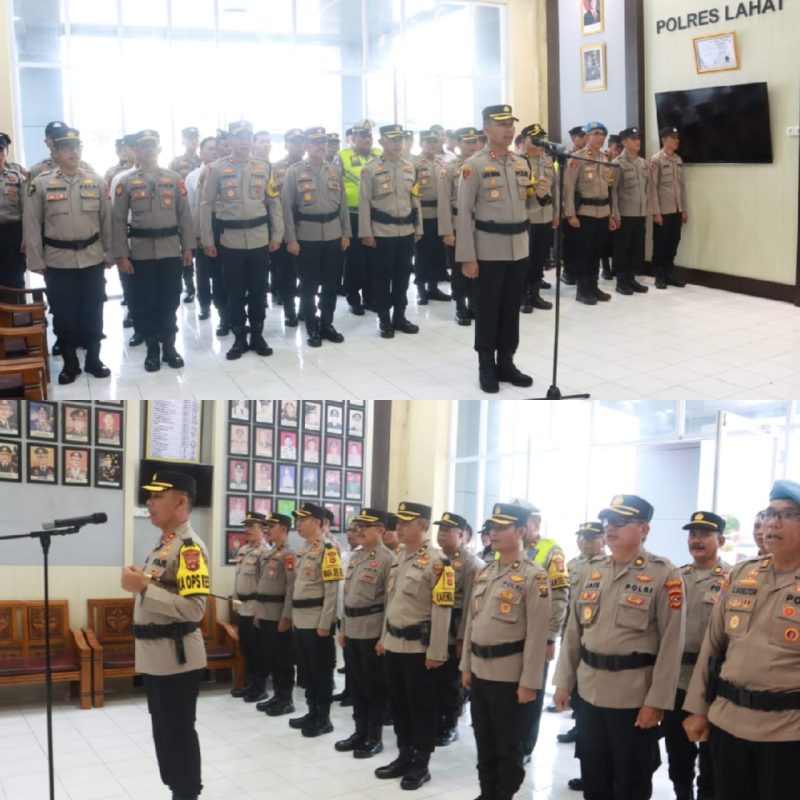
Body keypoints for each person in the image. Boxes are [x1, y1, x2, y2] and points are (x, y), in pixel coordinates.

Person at [553, 494, 685, 800]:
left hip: (633, 699)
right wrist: (563, 681)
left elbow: (671, 644)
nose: (610, 527)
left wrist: (657, 702)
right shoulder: (592, 570)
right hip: (590, 692)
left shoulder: (664, 574)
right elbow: (573, 632)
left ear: (644, 529)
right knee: (594, 777)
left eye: (621, 522)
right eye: (608, 521)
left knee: (631, 782)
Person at [683, 479, 800, 798]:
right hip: (728, 723)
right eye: (770, 513)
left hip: (787, 733)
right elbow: (713, 645)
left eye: (789, 514)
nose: (773, 522)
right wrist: (697, 708)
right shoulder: (741, 574)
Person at [121, 470, 209, 800]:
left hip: (177, 658)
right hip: (157, 657)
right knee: (164, 734)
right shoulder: (166, 543)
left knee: (177, 734)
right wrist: (143, 581)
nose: (150, 502)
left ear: (181, 502)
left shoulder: (189, 548)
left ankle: (186, 793)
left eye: (158, 496)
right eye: (150, 496)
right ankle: (178, 790)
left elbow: (195, 610)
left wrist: (144, 587)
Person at [460, 503, 551, 800]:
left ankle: (503, 794)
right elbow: (472, 623)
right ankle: (486, 792)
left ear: (521, 531)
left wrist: (530, 682)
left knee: (508, 745)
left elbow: (537, 636)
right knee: (484, 740)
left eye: (502, 527)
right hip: (480, 670)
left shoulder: (534, 576)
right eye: (492, 527)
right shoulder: (486, 572)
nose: (494, 533)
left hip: (510, 676)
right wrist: (466, 665)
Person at [23, 126, 114, 384]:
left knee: (93, 309)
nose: (74, 152)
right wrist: (35, 260)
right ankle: (70, 363)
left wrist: (110, 253)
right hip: (57, 260)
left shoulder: (96, 181)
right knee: (63, 314)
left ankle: (94, 360)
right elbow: (31, 224)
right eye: (67, 148)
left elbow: (107, 221)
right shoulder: (40, 184)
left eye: (77, 147)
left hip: (92, 258)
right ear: (56, 152)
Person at [455, 104, 535, 394]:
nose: (508, 129)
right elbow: (464, 214)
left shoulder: (521, 163)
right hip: (488, 250)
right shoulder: (473, 166)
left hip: (519, 248)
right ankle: (486, 364)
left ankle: (507, 362)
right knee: (488, 309)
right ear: (486, 128)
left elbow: (529, 205)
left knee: (511, 308)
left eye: (511, 123)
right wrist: (467, 257)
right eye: (501, 124)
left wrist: (542, 194)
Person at [375, 501, 453, 790]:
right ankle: (404, 755)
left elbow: (442, 611)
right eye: (399, 522)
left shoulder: (438, 562)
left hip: (419, 650)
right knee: (398, 705)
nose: (399, 528)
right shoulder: (399, 558)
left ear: (423, 526)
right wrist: (383, 638)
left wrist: (437, 651)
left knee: (421, 708)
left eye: (406, 523)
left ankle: (421, 762)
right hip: (394, 644)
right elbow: (391, 603)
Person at [662, 511, 731, 800]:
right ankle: (682, 794)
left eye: (705, 534)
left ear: (720, 540)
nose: (697, 540)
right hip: (678, 680)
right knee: (678, 751)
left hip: (713, 682)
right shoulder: (676, 578)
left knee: (712, 756)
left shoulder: (732, 579)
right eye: (692, 534)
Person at [112, 129, 195, 372]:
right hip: (141, 252)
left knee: (170, 300)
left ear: (159, 149)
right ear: (136, 150)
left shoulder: (174, 179)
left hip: (170, 250)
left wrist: (188, 247)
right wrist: (122, 255)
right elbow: (118, 220)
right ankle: (152, 350)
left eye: (152, 146)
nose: (148, 150)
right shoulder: (126, 182)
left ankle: (169, 347)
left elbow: (185, 215)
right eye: (143, 146)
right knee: (146, 302)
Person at [200, 120, 282, 360]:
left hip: (259, 239)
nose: (245, 141)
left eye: (248, 136)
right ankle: (239, 337)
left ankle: (257, 335)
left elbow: (273, 203)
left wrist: (277, 233)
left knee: (258, 290)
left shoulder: (264, 167)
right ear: (230, 141)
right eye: (239, 137)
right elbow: (206, 205)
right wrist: (207, 239)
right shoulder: (216, 169)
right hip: (231, 241)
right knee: (234, 292)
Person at [282, 127, 350, 348]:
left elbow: (343, 206)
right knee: (308, 285)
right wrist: (291, 239)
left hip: (333, 234)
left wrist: (346, 233)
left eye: (323, 142)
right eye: (315, 143)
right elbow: (286, 209)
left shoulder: (334, 171)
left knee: (331, 283)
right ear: (306, 146)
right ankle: (312, 326)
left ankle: (327, 324)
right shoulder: (294, 172)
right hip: (307, 235)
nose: (320, 146)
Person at [335, 508, 394, 758]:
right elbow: (348, 595)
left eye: (365, 527)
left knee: (374, 687)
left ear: (380, 530)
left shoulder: (388, 559)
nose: (359, 530)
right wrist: (344, 628)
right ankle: (359, 731)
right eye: (358, 526)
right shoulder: (357, 556)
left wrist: (384, 637)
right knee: (357, 685)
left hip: (372, 631)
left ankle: (373, 736)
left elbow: (390, 602)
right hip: (353, 628)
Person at [515, 500, 570, 763]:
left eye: (521, 522)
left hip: (536, 637)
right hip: (508, 635)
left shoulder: (551, 551)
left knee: (531, 694)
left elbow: (559, 597)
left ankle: (525, 747)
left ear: (535, 523)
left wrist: (550, 638)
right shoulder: (503, 549)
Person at [359, 124, 423, 339]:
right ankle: (384, 319)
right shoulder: (370, 169)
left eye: (399, 139)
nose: (397, 143)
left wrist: (418, 227)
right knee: (382, 278)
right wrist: (366, 233)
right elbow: (364, 203)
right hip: (381, 232)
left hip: (406, 231)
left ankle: (400, 317)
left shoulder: (409, 167)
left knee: (403, 277)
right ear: (381, 142)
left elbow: (415, 199)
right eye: (392, 139)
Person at [289, 502, 343, 737]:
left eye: (303, 520)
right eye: (298, 520)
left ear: (318, 523)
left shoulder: (328, 549)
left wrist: (325, 622)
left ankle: (323, 718)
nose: (298, 524)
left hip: (317, 622)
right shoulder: (304, 548)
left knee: (321, 671)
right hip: (302, 619)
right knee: (307, 671)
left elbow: (332, 589)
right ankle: (312, 712)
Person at [432, 511, 483, 745]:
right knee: (435, 679)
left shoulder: (471, 563)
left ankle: (449, 725)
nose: (441, 534)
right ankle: (436, 720)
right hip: (436, 628)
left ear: (462, 535)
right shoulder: (436, 558)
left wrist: (463, 639)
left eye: (447, 530)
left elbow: (470, 606)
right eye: (440, 529)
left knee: (451, 682)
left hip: (455, 629)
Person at [563, 121, 615, 306]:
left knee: (596, 252)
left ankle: (593, 286)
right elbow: (568, 188)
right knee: (583, 253)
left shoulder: (604, 158)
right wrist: (571, 214)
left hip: (603, 212)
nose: (600, 137)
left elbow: (608, 188)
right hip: (584, 212)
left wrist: (611, 214)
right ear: (586, 136)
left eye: (603, 134)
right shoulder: (577, 158)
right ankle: (583, 289)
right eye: (596, 133)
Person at [333, 121, 381, 315]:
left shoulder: (379, 155)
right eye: (362, 136)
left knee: (373, 259)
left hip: (374, 216)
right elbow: (335, 186)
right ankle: (353, 297)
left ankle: (370, 297)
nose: (367, 140)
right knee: (354, 260)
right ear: (353, 139)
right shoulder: (342, 156)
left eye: (369, 136)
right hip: (352, 215)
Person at [437, 126, 482, 326]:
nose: (472, 146)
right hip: (457, 225)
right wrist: (447, 232)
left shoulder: (483, 166)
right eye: (467, 142)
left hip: (480, 225)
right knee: (458, 269)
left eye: (475, 142)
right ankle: (460, 306)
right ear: (458, 144)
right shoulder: (449, 169)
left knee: (478, 267)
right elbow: (443, 202)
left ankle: (474, 303)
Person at [254, 512, 297, 716]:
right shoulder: (271, 553)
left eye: (272, 526)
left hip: (279, 614)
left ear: (284, 529)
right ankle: (277, 696)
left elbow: (291, 587)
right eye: (267, 526)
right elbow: (263, 585)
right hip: (266, 613)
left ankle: (286, 699)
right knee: (271, 657)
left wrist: (286, 616)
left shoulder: (289, 554)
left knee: (283, 659)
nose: (268, 530)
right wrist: (258, 612)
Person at [231, 511, 271, 702]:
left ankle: (259, 687)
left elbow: (265, 584)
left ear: (262, 529)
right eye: (245, 526)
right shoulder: (243, 550)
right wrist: (235, 601)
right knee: (246, 648)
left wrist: (260, 611)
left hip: (255, 607)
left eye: (251, 526)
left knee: (258, 650)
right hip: (242, 607)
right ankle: (249, 684)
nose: (246, 530)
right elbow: (238, 578)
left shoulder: (266, 552)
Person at [186, 136, 226, 325]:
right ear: (201, 152)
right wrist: (196, 235)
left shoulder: (225, 171)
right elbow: (191, 209)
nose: (214, 151)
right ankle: (204, 304)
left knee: (220, 273)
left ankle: (223, 310)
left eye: (216, 148)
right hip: (202, 228)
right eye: (210, 148)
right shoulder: (193, 176)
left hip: (222, 227)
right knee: (202, 271)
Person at [520, 123, 556, 314]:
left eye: (542, 139)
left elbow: (555, 189)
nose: (540, 143)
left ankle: (535, 293)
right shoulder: (517, 161)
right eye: (535, 139)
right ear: (525, 141)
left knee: (539, 257)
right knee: (525, 259)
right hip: (526, 218)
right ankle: (522, 296)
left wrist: (556, 214)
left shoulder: (548, 160)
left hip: (545, 216)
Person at [271, 128, 306, 322]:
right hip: (284, 227)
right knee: (286, 271)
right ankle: (289, 309)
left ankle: (305, 308)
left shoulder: (310, 167)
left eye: (301, 141)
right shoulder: (274, 168)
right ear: (286, 145)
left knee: (307, 271)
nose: (298, 145)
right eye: (294, 141)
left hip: (306, 226)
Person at [610, 127, 651, 295]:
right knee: (622, 249)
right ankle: (621, 281)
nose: (637, 141)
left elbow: (646, 189)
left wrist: (646, 210)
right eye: (633, 138)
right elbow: (613, 191)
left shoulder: (643, 163)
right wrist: (614, 214)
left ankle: (631, 278)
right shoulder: (617, 163)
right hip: (624, 214)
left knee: (636, 249)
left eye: (638, 138)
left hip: (640, 213)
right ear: (624, 142)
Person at [412, 130, 450, 305]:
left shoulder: (440, 163)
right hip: (423, 214)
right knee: (422, 254)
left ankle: (433, 288)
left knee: (437, 253)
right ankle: (421, 290)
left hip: (440, 214)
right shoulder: (414, 163)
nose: (432, 145)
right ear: (421, 143)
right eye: (428, 142)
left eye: (435, 142)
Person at [650, 126, 689, 290]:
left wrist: (684, 209)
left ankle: (669, 273)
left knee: (674, 241)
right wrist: (656, 212)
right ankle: (659, 275)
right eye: (673, 137)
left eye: (677, 137)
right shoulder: (656, 160)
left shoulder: (678, 160)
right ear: (664, 140)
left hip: (676, 210)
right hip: (663, 211)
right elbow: (652, 188)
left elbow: (682, 187)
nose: (677, 140)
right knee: (661, 243)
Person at [0, 132, 27, 295]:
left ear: (6, 152)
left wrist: (26, 238)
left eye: (1, 150)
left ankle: (18, 311)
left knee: (15, 279)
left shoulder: (17, 178)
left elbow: (27, 210)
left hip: (13, 235)